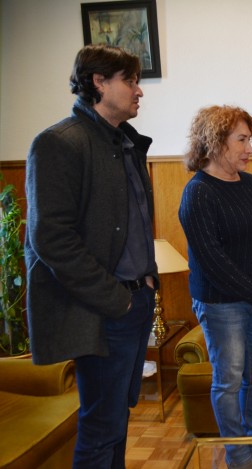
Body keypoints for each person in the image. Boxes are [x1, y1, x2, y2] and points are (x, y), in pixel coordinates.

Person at [24, 44, 158, 468]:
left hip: (134, 302)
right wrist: (115, 299)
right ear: (98, 82)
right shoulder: (59, 143)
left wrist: (146, 287)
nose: (140, 91)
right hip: (104, 310)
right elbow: (52, 239)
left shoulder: (125, 144)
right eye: (131, 80)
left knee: (117, 421)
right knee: (101, 428)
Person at [178, 105, 252, 469]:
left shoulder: (250, 182)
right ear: (215, 141)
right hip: (223, 304)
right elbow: (211, 260)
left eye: (249, 140)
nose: (249, 149)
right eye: (242, 140)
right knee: (229, 380)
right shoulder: (198, 193)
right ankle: (238, 455)